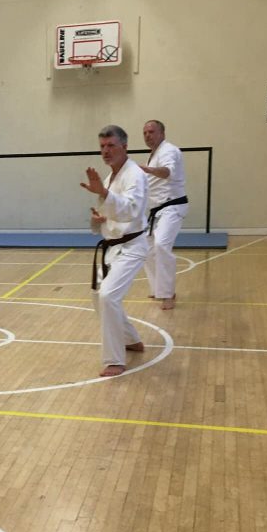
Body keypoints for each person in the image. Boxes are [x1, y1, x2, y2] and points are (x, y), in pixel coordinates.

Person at [80, 125, 149, 377]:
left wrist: (103, 193)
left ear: (124, 146)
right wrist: (98, 219)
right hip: (113, 246)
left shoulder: (135, 175)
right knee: (98, 296)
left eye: (111, 145)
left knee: (108, 296)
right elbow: (109, 215)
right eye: (102, 146)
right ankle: (131, 339)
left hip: (132, 246)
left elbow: (131, 210)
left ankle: (115, 360)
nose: (106, 151)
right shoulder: (110, 177)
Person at [140, 120, 187, 310]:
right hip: (157, 210)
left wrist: (147, 169)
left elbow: (167, 172)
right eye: (145, 133)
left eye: (151, 132)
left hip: (172, 206)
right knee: (146, 247)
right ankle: (157, 288)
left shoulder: (169, 151)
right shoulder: (153, 155)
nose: (147, 135)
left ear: (162, 133)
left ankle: (168, 294)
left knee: (161, 245)